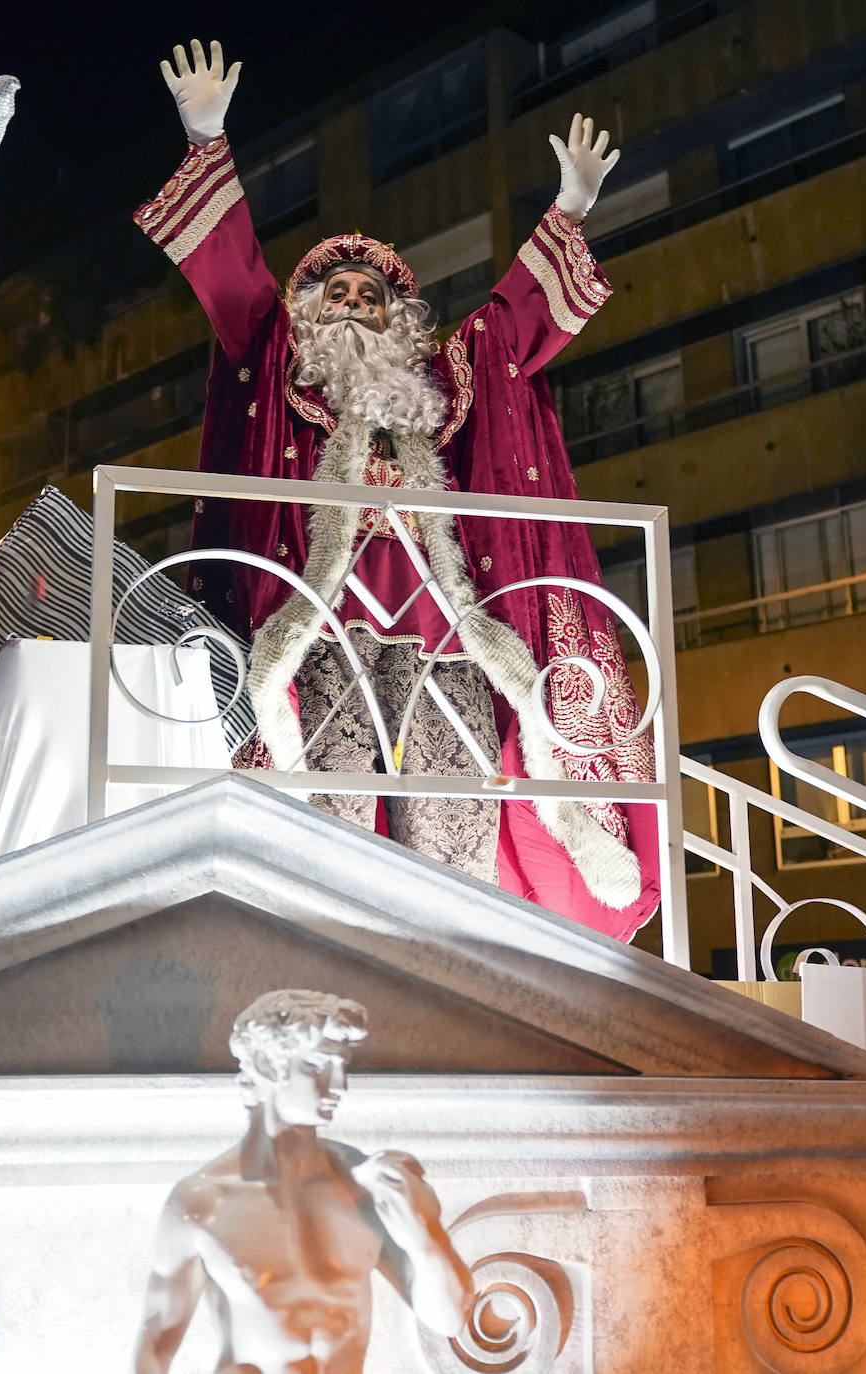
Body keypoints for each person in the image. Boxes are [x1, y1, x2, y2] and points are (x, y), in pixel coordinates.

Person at [134, 40, 661, 941]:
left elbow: (508, 327)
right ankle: (321, 968)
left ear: (398, 316)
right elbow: (241, 284)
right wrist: (207, 138)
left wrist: (569, 209)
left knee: (449, 833)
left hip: (443, 641)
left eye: (368, 294)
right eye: (332, 291)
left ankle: (448, 975)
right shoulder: (282, 372)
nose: (350, 302)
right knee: (323, 825)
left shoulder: (447, 386)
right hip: (319, 640)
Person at [134, 989, 474, 1374]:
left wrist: (426, 1241)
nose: (340, 1085)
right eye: (317, 1067)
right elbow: (156, 1345)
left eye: (342, 1067)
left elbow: (449, 1320)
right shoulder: (202, 1203)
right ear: (264, 1063)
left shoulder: (365, 1185)